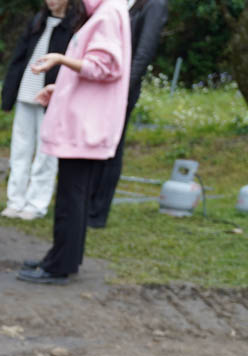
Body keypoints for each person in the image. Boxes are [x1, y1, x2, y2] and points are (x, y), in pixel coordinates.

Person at [16, 0, 130, 284]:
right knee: (73, 194)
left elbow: (104, 67)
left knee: (71, 197)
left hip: (85, 125)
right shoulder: (105, 13)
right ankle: (63, 258)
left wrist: (59, 59)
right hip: (85, 120)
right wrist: (62, 87)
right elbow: (92, 72)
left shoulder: (108, 13)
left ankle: (59, 266)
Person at [88, 0, 168, 227]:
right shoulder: (121, 4)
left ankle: (97, 212)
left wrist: (123, 89)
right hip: (102, 84)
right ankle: (85, 204)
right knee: (95, 142)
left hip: (123, 88)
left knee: (112, 147)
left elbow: (144, 52)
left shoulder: (155, 5)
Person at [0, 0, 81, 220]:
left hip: (52, 97)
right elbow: (18, 58)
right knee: (20, 149)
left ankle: (36, 203)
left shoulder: (75, 25)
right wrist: (8, 96)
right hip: (26, 93)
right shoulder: (37, 20)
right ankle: (15, 200)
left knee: (46, 153)